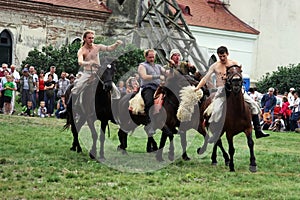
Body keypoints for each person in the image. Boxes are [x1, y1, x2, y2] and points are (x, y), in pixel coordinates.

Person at [194, 46, 269, 141]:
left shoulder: (234, 64)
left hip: (236, 89)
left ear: (227, 54)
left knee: (254, 105)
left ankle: (258, 130)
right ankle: (215, 133)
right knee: (215, 111)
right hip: (221, 90)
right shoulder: (215, 66)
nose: (222, 58)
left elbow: (239, 75)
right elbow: (205, 78)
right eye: (220, 56)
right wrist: (197, 88)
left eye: (223, 56)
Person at [71, 30, 123, 102]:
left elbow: (109, 48)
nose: (91, 40)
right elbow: (80, 62)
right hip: (87, 73)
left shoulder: (97, 47)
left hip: (99, 72)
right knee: (76, 88)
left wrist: (116, 44)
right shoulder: (81, 50)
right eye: (89, 38)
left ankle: (115, 106)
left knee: (114, 88)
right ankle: (69, 108)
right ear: (84, 39)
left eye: (92, 38)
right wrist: (89, 63)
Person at [138, 49, 167, 135]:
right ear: (146, 57)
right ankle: (149, 123)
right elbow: (144, 77)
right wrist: (158, 76)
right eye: (150, 57)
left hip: (159, 87)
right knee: (149, 102)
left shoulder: (158, 66)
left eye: (153, 57)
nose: (151, 59)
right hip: (148, 88)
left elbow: (166, 72)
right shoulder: (142, 66)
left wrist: (172, 68)